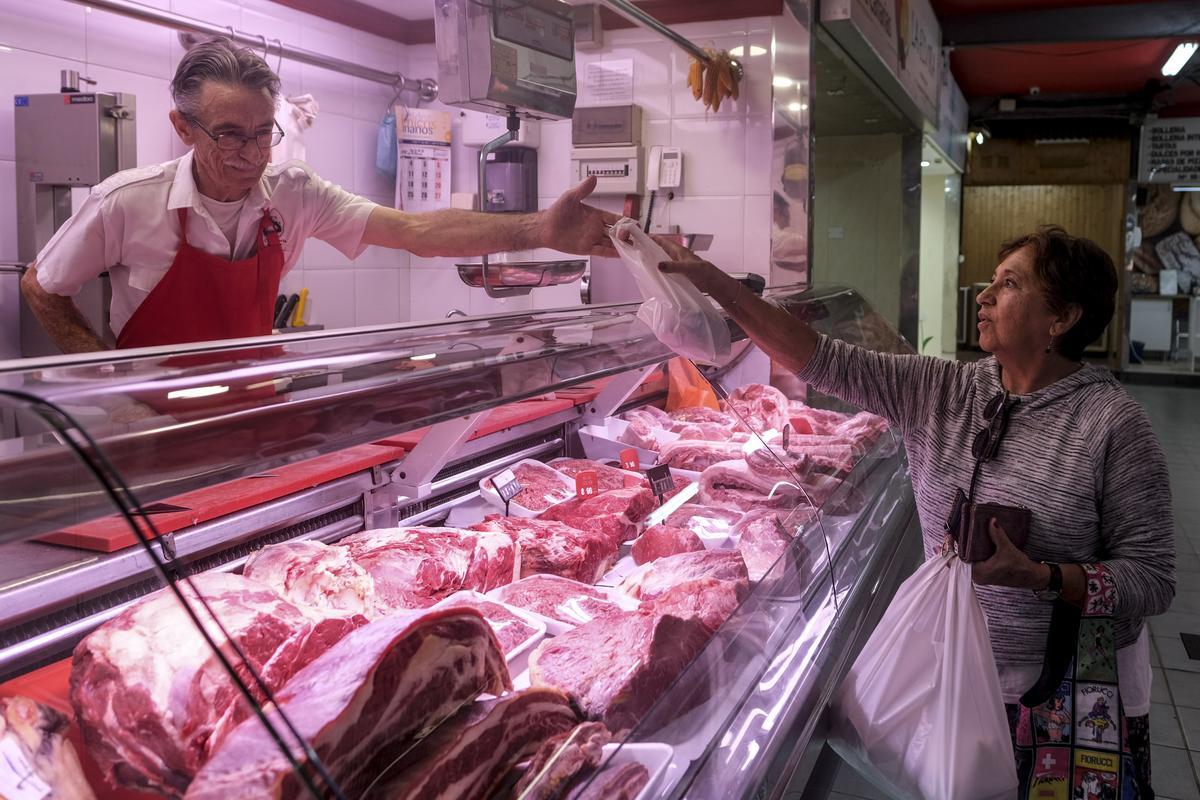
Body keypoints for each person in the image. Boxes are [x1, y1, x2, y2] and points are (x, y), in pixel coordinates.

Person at [658, 225, 1174, 797]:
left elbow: (1153, 580)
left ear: (1062, 320)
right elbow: (818, 358)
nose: (982, 296)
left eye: (1009, 284)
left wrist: (1044, 578)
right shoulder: (942, 389)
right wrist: (713, 282)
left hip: (1067, 695)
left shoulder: (1113, 426)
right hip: (953, 677)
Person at [20, 38, 617, 353]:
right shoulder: (127, 202)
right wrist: (106, 381)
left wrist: (537, 230)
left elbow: (413, 232)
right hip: (150, 436)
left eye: (263, 134)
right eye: (230, 135)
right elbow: (41, 287)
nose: (253, 154)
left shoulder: (293, 193)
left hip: (252, 419)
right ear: (182, 127)